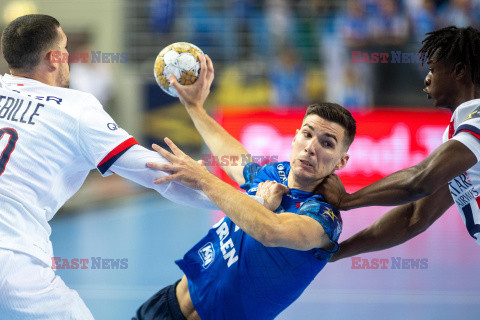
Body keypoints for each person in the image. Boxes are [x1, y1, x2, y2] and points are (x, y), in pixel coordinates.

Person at [0, 14, 221, 319]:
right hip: (15, 257)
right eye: (65, 49)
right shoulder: (76, 108)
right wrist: (244, 201)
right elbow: (159, 175)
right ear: (53, 58)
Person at [134, 54, 356, 320]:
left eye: (327, 143)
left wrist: (203, 178)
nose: (311, 147)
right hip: (167, 305)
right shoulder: (276, 173)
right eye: (307, 134)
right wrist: (195, 108)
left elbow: (271, 231)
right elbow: (235, 159)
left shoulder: (322, 218)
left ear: (341, 161)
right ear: (295, 136)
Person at [316, 26, 480, 260]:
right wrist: (337, 253)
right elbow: (414, 216)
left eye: (432, 69)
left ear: (459, 71)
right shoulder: (459, 134)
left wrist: (347, 200)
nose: (426, 78)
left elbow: (419, 180)